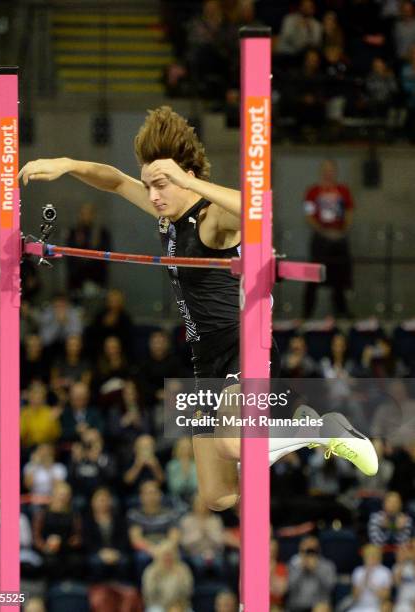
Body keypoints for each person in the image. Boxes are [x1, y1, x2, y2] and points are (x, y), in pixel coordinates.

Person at [19, 106, 378, 513]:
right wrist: (66, 164)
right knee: (218, 496)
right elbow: (116, 181)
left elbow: (258, 209)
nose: (153, 196)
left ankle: (319, 428)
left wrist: (190, 183)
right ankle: (279, 430)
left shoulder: (210, 218)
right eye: (149, 185)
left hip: (243, 348)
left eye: (161, 185)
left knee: (229, 441)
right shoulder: (165, 217)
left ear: (183, 178)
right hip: (203, 361)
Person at [303, 159, 354, 318]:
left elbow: (349, 212)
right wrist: (323, 231)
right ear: (321, 171)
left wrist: (341, 231)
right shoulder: (312, 192)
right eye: (325, 169)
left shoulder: (343, 191)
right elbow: (308, 215)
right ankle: (307, 313)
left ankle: (342, 311)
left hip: (339, 238)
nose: (328, 173)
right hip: (320, 238)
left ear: (335, 172)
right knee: (313, 275)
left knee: (340, 276)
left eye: (331, 169)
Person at [286, 535, 337, 612]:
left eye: (312, 550)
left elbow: (330, 588)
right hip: (296, 606)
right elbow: (288, 587)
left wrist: (316, 569)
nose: (309, 553)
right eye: (306, 549)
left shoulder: (327, 565)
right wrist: (301, 569)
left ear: (318, 549)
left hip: (318, 606)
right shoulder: (293, 564)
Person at [349, 544, 392, 611]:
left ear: (378, 557)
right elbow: (354, 596)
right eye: (368, 556)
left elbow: (386, 596)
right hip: (359, 606)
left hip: (377, 606)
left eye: (373, 556)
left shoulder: (385, 572)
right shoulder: (358, 571)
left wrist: (371, 586)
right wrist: (364, 580)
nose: (370, 559)